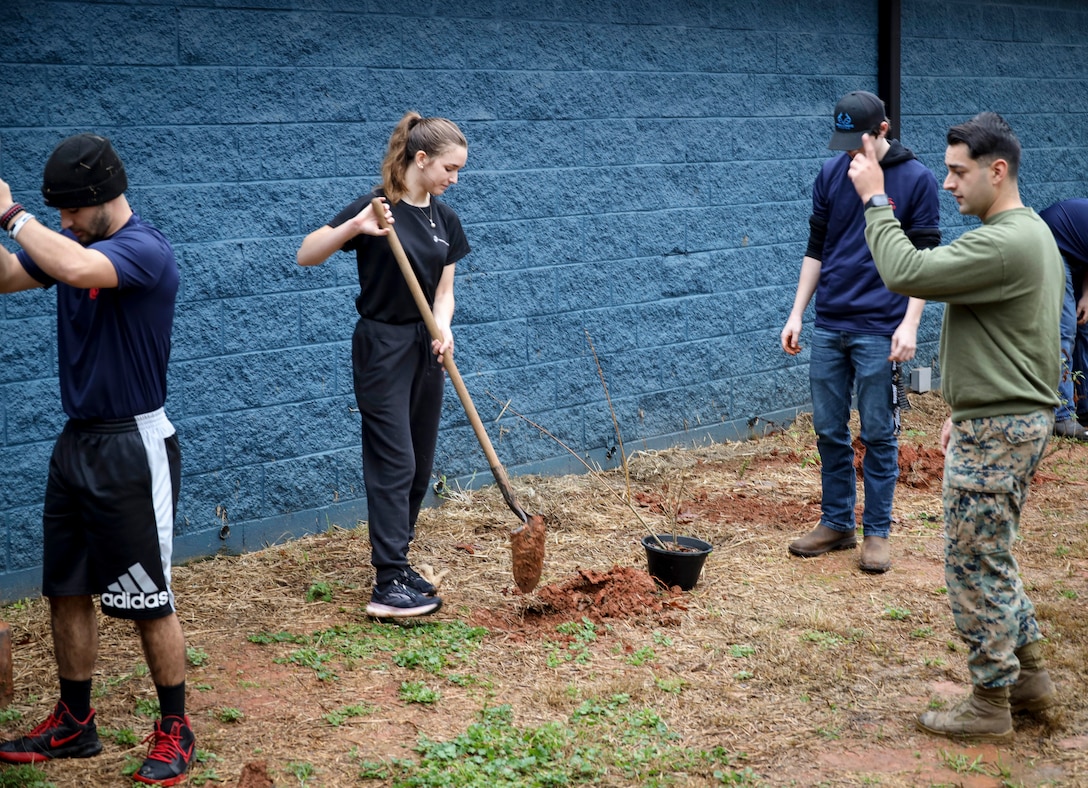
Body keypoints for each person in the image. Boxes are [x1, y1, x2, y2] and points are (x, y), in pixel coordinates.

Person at [848, 111, 1061, 740]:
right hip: (1002, 419)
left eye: (958, 171)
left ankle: (990, 704)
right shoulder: (1030, 233)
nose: (948, 184)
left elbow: (905, 272)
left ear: (998, 172)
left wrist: (875, 199)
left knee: (973, 562)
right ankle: (1029, 677)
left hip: (1002, 427)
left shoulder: (1004, 241)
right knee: (990, 554)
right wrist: (967, 414)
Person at [0, 134, 194, 784]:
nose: (64, 224)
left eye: (70, 212)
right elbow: (7, 276)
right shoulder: (72, 245)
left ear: (102, 200)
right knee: (67, 588)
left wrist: (12, 215)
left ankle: (176, 726)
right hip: (76, 441)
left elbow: (77, 268)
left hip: (132, 444)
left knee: (147, 597)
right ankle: (75, 723)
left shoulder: (143, 250)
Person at [296, 112, 469, 619]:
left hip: (425, 347)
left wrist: (444, 329)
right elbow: (307, 254)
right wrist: (355, 226)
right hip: (382, 345)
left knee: (420, 461)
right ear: (422, 159)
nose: (454, 180)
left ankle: (399, 560)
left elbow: (445, 291)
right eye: (450, 168)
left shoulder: (445, 219)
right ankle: (386, 584)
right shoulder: (379, 208)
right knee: (395, 461)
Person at [781, 90, 941, 574]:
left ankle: (877, 533)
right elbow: (816, 249)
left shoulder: (917, 180)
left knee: (878, 433)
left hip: (881, 328)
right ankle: (836, 523)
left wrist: (910, 323)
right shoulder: (832, 173)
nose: (852, 151)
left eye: (860, 140)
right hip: (830, 324)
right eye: (845, 141)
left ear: (884, 130)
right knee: (829, 429)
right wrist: (796, 314)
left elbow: (925, 259)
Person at [1040, 199, 1088, 439]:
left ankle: (1085, 407)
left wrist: (1086, 297)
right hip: (1049, 243)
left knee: (1085, 326)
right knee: (1065, 328)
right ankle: (1062, 416)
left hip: (1075, 252)